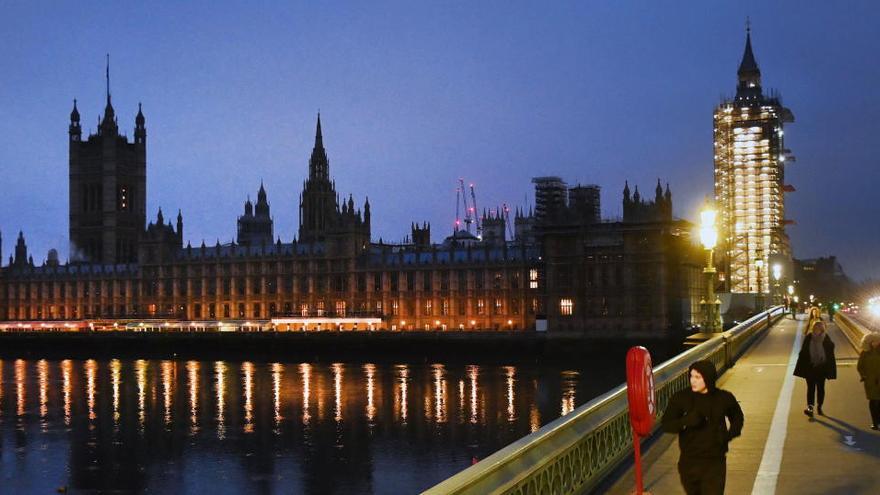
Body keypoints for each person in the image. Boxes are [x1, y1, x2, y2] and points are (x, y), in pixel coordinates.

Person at [662, 360, 744, 495]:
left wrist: (728, 436)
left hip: (715, 461)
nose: (693, 381)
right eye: (691, 376)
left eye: (698, 377)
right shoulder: (681, 398)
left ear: (708, 377)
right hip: (689, 461)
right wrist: (685, 421)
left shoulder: (723, 398)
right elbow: (666, 424)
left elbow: (737, 418)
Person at [793, 321, 837, 416]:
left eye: (818, 329)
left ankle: (819, 406)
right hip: (810, 367)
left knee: (821, 388)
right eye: (815, 328)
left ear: (822, 330)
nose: (816, 330)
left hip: (821, 367)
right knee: (811, 388)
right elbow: (803, 352)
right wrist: (803, 365)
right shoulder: (809, 337)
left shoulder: (826, 338)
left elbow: (830, 351)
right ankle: (810, 407)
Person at [856, 332, 880, 430]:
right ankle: (874, 422)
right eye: (874, 341)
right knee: (873, 401)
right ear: (869, 342)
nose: (877, 343)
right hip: (870, 381)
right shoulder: (865, 353)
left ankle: (878, 420)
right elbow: (860, 366)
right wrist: (864, 376)